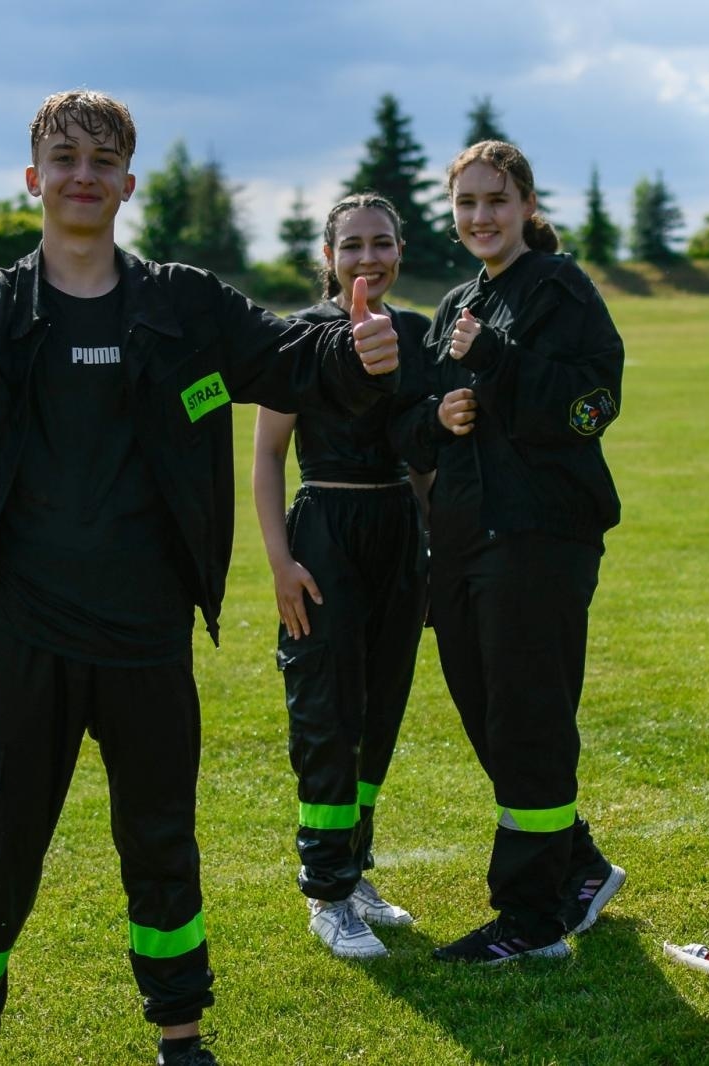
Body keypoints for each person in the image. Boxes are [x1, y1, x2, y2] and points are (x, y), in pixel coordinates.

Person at [0, 89, 399, 1066]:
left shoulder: (182, 308)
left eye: (102, 159)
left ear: (128, 182)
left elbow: (291, 354)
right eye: (63, 158)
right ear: (35, 179)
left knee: (161, 843)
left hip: (145, 636)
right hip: (19, 637)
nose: (83, 174)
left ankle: (181, 1036)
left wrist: (357, 348)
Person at [394, 140, 626, 965]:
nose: (481, 218)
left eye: (496, 200)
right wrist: (438, 417)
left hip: (539, 539)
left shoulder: (560, 290)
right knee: (492, 720)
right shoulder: (457, 298)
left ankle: (531, 922)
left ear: (526, 204)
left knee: (528, 722)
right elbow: (415, 423)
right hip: (458, 543)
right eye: (466, 205)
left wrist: (495, 360)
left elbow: (594, 407)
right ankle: (582, 866)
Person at [250, 193, 433, 961]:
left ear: (400, 251)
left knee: (379, 710)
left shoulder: (417, 335)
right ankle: (325, 893)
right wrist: (281, 562)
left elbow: (425, 458)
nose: (368, 258)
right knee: (327, 711)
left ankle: (354, 871)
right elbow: (265, 456)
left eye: (381, 244)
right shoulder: (301, 336)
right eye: (352, 245)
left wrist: (423, 545)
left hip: (397, 533)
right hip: (325, 531)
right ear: (328, 256)